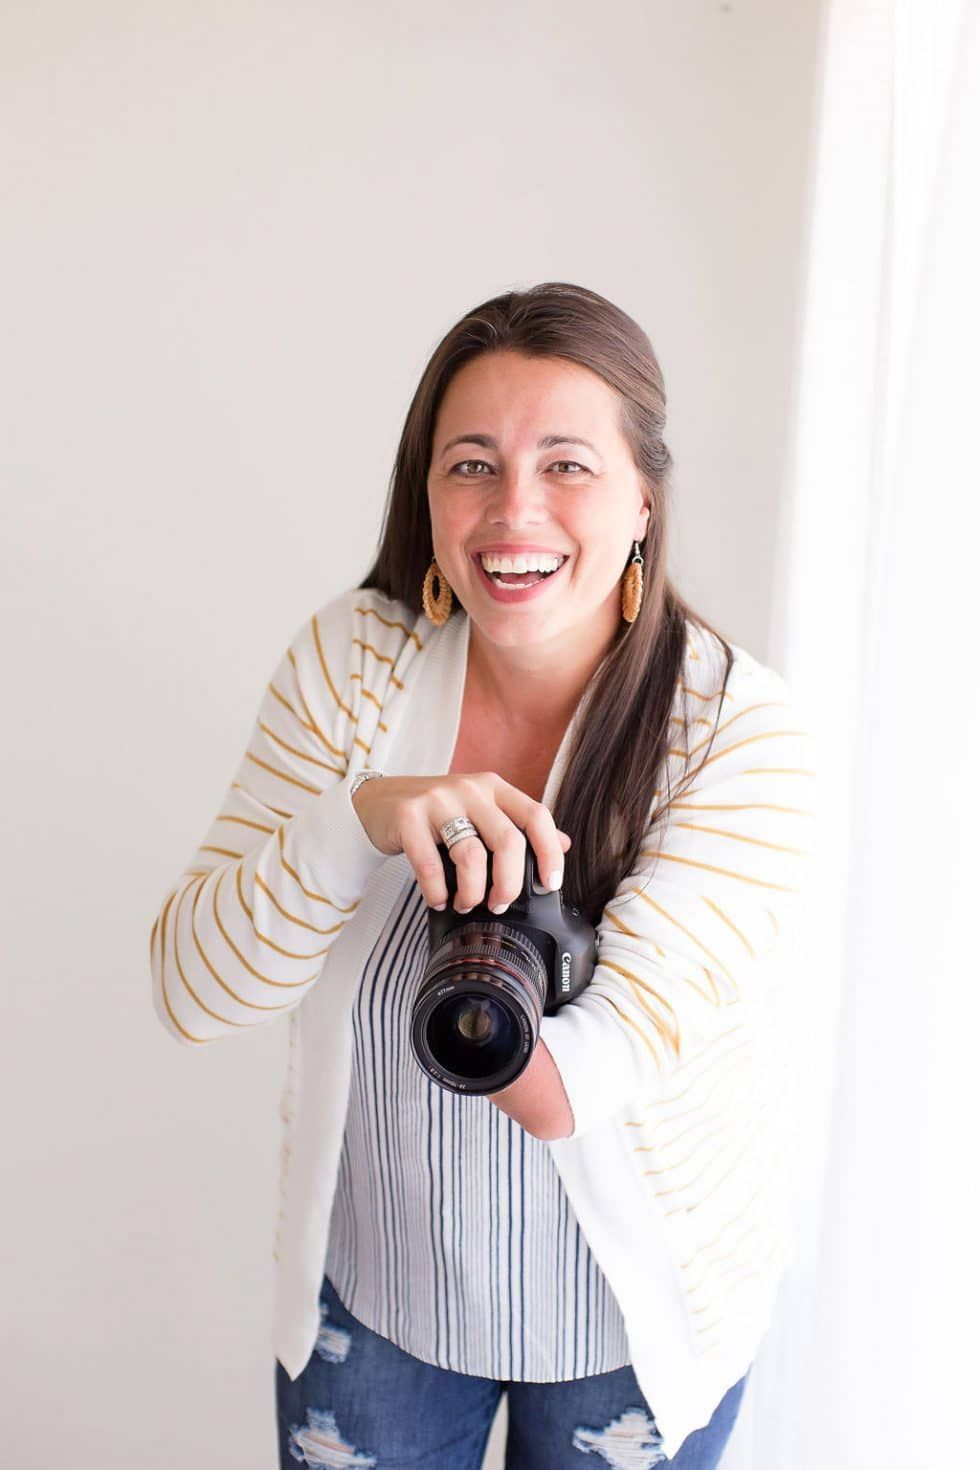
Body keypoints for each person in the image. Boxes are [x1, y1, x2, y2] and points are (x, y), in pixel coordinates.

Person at [149, 282, 816, 1468]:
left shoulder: (733, 731)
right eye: (471, 463)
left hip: (635, 1319)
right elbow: (193, 993)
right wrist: (359, 819)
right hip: (382, 1292)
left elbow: (587, 1075)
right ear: (427, 491)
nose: (513, 510)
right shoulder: (355, 669)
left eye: (566, 464)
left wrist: (490, 990)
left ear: (642, 501)